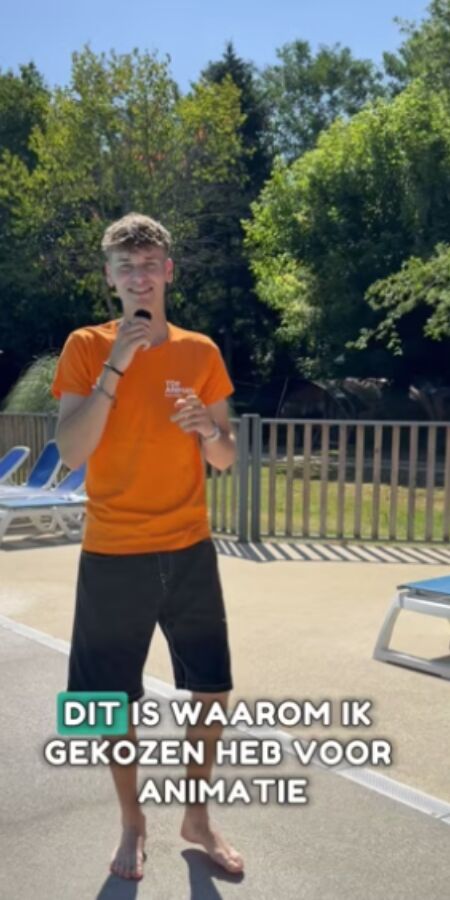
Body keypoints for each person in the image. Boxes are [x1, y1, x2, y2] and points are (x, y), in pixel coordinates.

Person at [51, 211, 244, 881]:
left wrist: (206, 431)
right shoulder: (85, 346)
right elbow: (72, 451)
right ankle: (132, 820)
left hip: (188, 547)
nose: (139, 276)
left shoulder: (202, 352)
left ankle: (197, 816)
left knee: (212, 688)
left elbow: (226, 457)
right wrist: (118, 364)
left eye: (149, 265)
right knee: (108, 700)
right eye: (126, 267)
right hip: (112, 551)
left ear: (168, 272)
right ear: (111, 278)